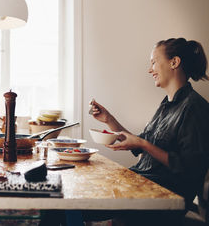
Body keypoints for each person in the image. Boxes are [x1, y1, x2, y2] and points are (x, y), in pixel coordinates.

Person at [86, 38, 209, 225]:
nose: (150, 69)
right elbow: (142, 143)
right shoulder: (166, 105)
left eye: (153, 62)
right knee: (81, 190)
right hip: (141, 184)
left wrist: (143, 144)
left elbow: (189, 168)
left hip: (162, 197)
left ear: (174, 62)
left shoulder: (195, 108)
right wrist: (109, 119)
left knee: (77, 206)